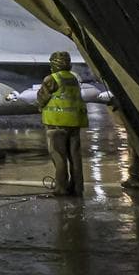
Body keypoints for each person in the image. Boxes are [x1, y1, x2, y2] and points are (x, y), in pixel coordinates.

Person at [36, 50, 88, 196]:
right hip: (74, 123)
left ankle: (61, 188)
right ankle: (78, 187)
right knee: (75, 157)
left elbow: (42, 97)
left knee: (59, 156)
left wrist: (40, 105)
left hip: (56, 124)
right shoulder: (73, 78)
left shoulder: (52, 79)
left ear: (53, 64)